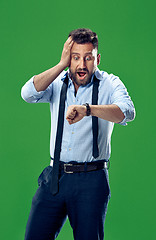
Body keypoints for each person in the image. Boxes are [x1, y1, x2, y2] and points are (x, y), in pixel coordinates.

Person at [21, 28, 135, 240]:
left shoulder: (109, 83)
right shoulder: (57, 81)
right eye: (75, 58)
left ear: (97, 58)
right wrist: (60, 65)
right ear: (68, 59)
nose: (82, 65)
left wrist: (88, 109)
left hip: (91, 180)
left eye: (88, 58)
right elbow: (27, 94)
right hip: (55, 177)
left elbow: (127, 112)